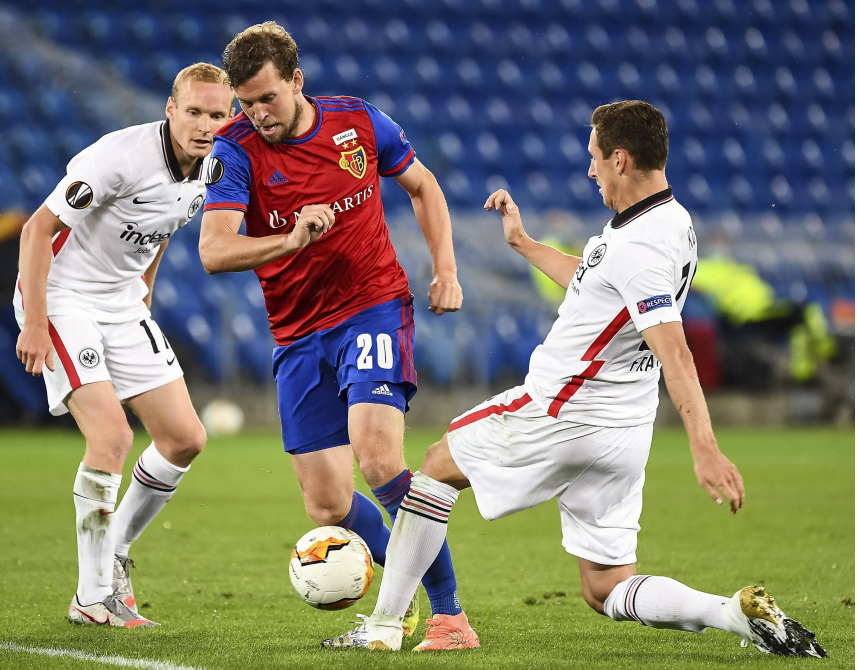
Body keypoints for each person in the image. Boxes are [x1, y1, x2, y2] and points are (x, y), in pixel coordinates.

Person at [323, 101, 826, 658]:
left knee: (436, 468)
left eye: (594, 159)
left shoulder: (640, 245)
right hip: (623, 433)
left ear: (620, 158)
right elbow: (596, 285)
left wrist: (705, 448)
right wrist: (523, 243)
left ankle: (390, 625)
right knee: (604, 586)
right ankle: (731, 613)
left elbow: (676, 352)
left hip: (564, 409)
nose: (590, 171)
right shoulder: (671, 221)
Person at [200, 22, 472, 649]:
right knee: (327, 505)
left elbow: (423, 186)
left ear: (296, 81)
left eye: (267, 98)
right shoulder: (235, 150)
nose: (257, 114)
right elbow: (214, 251)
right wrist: (290, 239)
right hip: (297, 333)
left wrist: (447, 270)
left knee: (378, 460)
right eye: (246, 102)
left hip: (372, 306)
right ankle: (399, 605)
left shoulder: (358, 123)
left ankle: (448, 615)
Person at [13, 63, 233, 627]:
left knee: (185, 438)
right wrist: (35, 322)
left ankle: (113, 556)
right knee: (111, 436)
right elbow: (37, 229)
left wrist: (146, 294)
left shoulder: (215, 169)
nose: (204, 124)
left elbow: (158, 234)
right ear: (170, 108)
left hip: (121, 303)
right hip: (62, 298)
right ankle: (92, 597)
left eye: (216, 114)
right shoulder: (118, 157)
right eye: (194, 112)